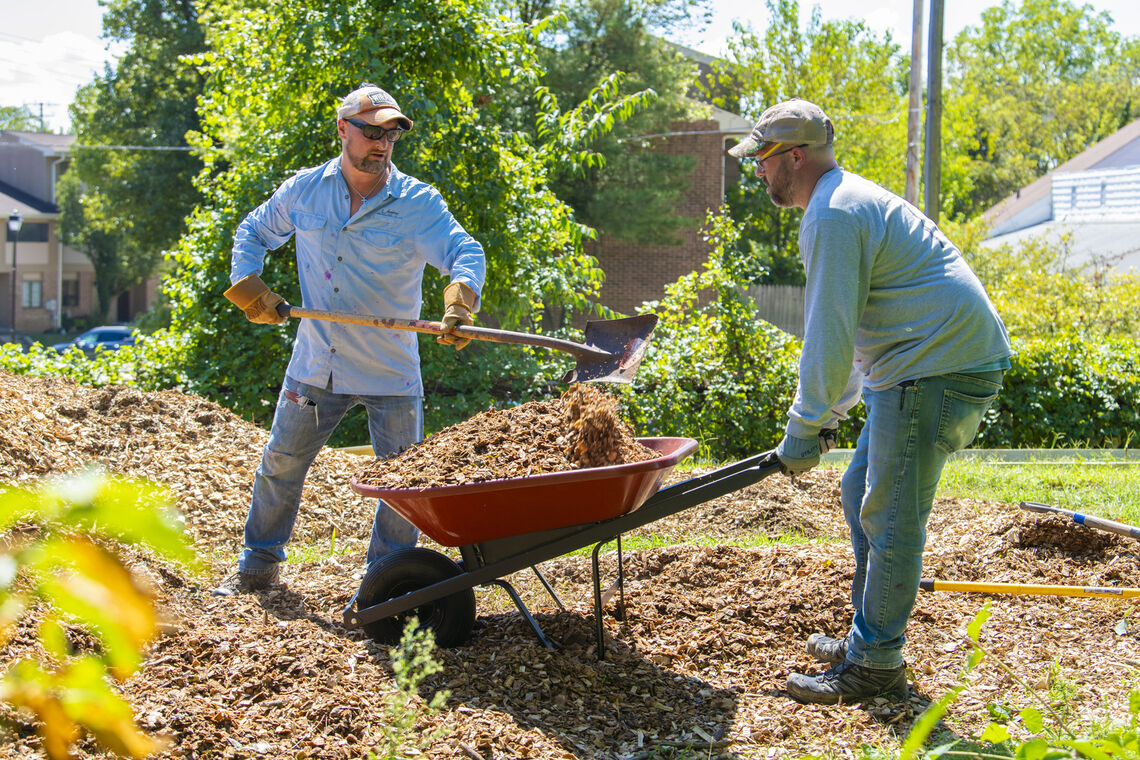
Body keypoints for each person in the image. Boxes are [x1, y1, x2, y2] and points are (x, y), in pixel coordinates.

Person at [728, 99, 1011, 704]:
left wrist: (805, 425)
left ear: (794, 157)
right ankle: (868, 638)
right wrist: (825, 417)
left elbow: (828, 332)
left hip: (936, 368)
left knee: (890, 515)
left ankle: (876, 663)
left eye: (763, 160)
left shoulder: (832, 214)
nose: (757, 172)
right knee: (860, 491)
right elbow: (856, 333)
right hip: (924, 362)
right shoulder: (843, 200)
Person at [214, 83, 486, 595]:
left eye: (390, 134)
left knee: (402, 484)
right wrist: (251, 289)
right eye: (370, 131)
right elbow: (252, 231)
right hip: (318, 361)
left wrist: (459, 302)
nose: (381, 143)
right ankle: (258, 565)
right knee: (281, 463)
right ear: (343, 129)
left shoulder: (418, 203)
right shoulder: (304, 191)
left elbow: (463, 250)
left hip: (390, 369)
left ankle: (386, 583)